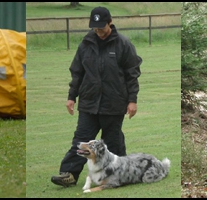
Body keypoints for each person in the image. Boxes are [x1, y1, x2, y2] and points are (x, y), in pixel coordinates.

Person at [51, 6, 143, 187]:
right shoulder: (85, 44)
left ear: (110, 22)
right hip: (89, 102)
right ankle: (68, 174)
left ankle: (119, 175)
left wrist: (132, 100)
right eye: (95, 28)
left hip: (114, 102)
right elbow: (77, 72)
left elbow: (132, 74)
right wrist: (71, 96)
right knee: (81, 141)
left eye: (102, 27)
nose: (99, 31)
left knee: (112, 141)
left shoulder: (123, 44)